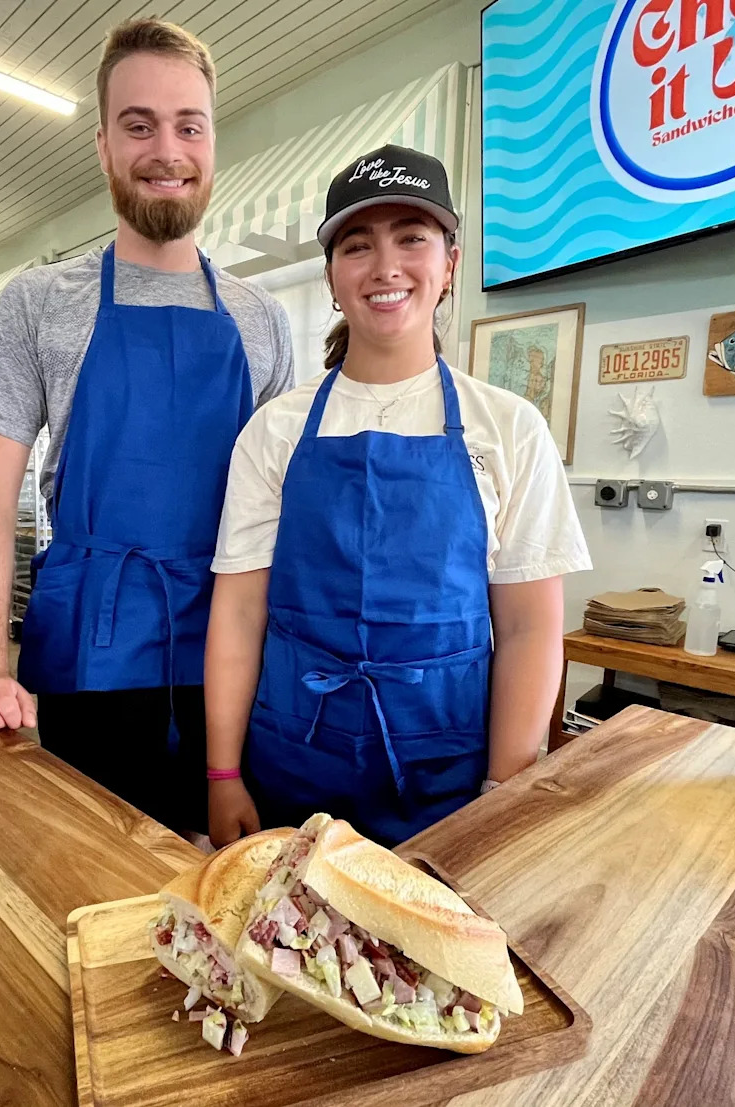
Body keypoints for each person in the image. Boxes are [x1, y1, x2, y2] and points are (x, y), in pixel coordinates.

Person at [0, 18, 294, 834]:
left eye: (188, 125)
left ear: (212, 145)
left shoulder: (262, 318)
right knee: (83, 878)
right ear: (103, 145)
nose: (165, 148)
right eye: (138, 125)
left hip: (229, 652)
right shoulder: (39, 303)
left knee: (223, 892)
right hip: (86, 657)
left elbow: (281, 510)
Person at [204, 144, 591, 848]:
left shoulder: (509, 428)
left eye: (411, 238)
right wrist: (223, 772)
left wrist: (501, 793)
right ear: (330, 276)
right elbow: (237, 613)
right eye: (358, 245)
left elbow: (532, 629)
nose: (385, 267)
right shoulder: (275, 431)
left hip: (449, 783)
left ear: (449, 264)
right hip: (291, 768)